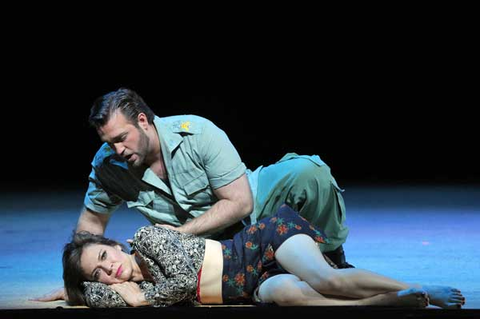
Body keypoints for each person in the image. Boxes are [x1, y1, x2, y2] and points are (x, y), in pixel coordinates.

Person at [34, 87, 352, 302]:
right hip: (209, 249)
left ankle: (331, 257)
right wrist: (75, 281)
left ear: (143, 121)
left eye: (121, 138)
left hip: (251, 209)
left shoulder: (197, 132)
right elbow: (90, 225)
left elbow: (240, 202)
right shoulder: (109, 165)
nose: (117, 149)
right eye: (108, 142)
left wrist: (179, 235)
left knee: (308, 172)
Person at [62, 204, 465, 309]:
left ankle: (419, 289)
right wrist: (74, 291)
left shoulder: (146, 238)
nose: (108, 269)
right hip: (250, 287)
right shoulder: (122, 288)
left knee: (328, 281)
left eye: (102, 255)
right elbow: (95, 296)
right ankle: (381, 304)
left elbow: (185, 282)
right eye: (98, 274)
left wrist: (144, 297)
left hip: (260, 245)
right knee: (290, 296)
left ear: (114, 244)